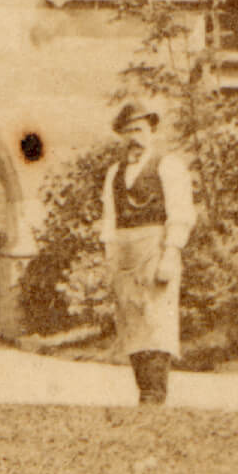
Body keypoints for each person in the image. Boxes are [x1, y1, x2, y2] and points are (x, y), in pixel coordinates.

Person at [97, 101, 195, 405]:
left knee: (156, 320)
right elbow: (109, 221)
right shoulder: (114, 173)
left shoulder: (168, 165)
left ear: (151, 131)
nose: (133, 138)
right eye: (127, 132)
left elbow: (181, 213)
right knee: (131, 320)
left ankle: (155, 393)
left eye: (138, 130)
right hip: (125, 254)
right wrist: (110, 260)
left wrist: (171, 252)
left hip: (156, 248)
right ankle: (144, 392)